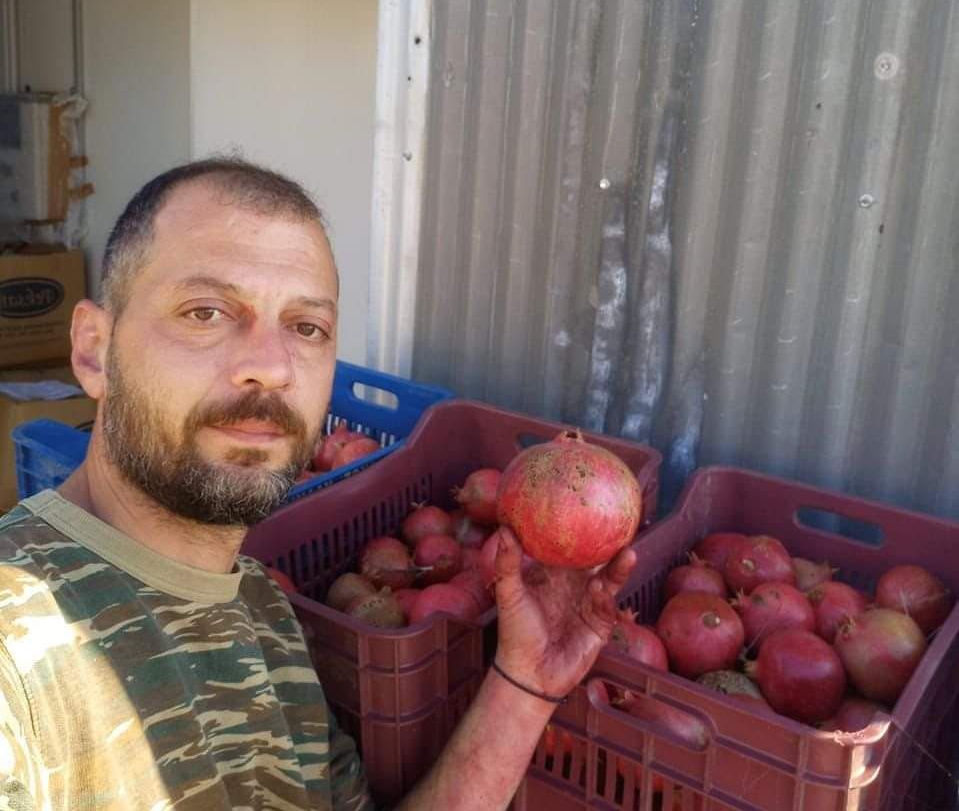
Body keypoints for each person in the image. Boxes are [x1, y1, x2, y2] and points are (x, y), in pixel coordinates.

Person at [0, 158, 636, 810]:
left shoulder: (266, 615)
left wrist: (521, 685)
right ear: (93, 350)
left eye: (306, 328)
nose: (271, 367)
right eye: (207, 311)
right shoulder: (17, 645)